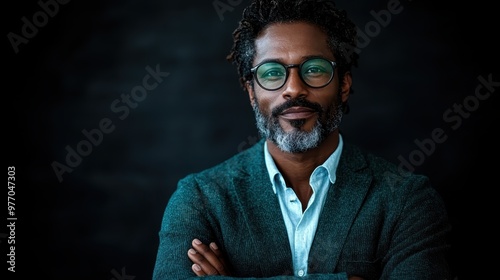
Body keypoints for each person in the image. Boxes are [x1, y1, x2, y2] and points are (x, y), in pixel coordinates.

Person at [152, 0, 452, 279]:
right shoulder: (200, 199)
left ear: (344, 85)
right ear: (251, 92)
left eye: (315, 69)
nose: (294, 89)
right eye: (272, 73)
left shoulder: (407, 200)